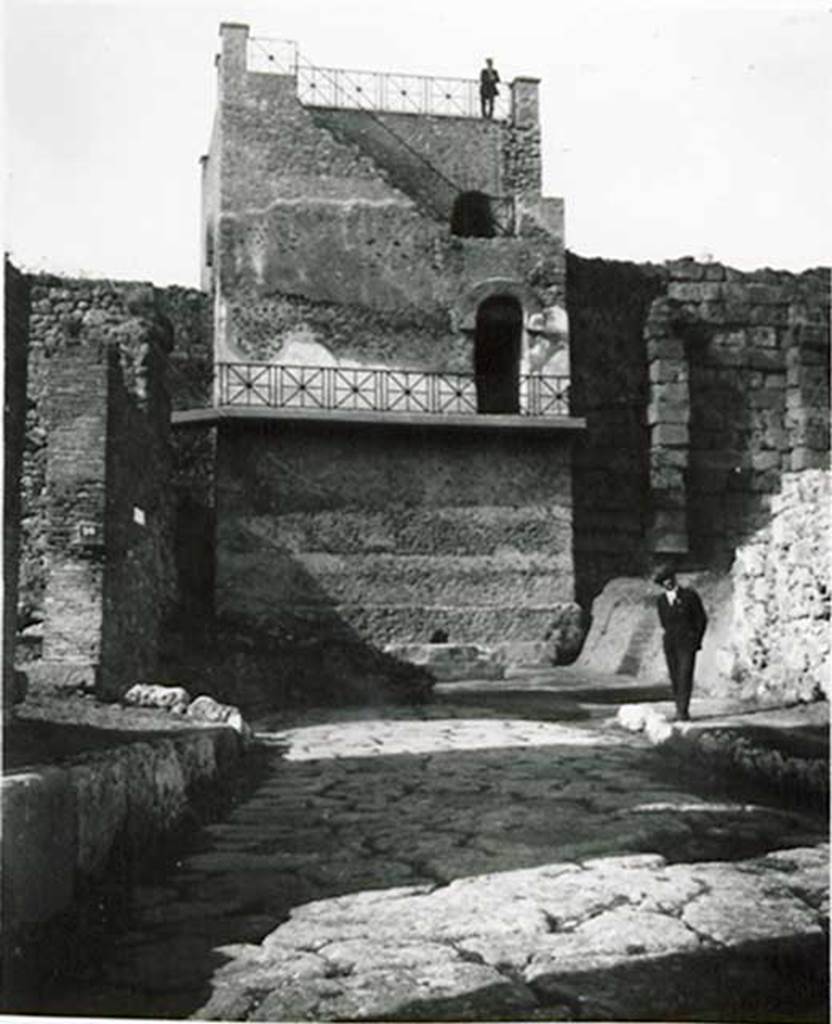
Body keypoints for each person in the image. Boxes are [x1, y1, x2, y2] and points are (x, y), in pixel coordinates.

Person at [654, 565, 707, 721]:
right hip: (670, 643)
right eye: (664, 581)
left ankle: (682, 711)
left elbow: (701, 619)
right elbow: (664, 623)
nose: (667, 583)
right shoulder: (661, 601)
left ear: (674, 579)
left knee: (685, 675)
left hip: (686, 643)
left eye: (669, 579)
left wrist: (695, 639)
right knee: (675, 676)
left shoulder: (689, 596)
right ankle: (678, 706)